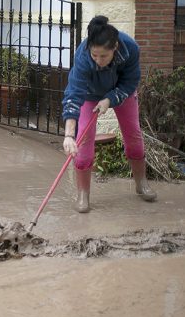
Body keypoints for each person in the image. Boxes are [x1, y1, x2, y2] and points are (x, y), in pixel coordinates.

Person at [62, 15, 157, 213]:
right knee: (83, 140)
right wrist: (69, 135)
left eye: (103, 56)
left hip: (121, 92)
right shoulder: (82, 56)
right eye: (94, 55)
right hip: (89, 94)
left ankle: (141, 184)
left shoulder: (130, 48)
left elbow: (130, 82)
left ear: (115, 47)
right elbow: (74, 93)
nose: (98, 60)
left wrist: (110, 99)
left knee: (132, 133)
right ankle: (83, 195)